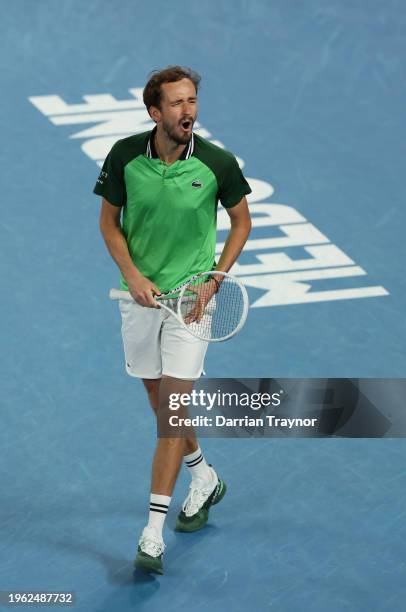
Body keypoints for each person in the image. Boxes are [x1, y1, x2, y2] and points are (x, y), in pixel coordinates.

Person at [94, 66, 251, 574]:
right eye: (178, 104)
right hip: (140, 299)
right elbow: (109, 223)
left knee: (169, 414)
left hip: (191, 303)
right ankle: (203, 476)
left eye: (193, 102)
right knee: (158, 399)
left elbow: (241, 221)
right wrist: (133, 275)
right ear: (154, 112)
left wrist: (215, 280)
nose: (190, 112)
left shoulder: (217, 163)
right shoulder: (124, 156)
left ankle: (152, 531)